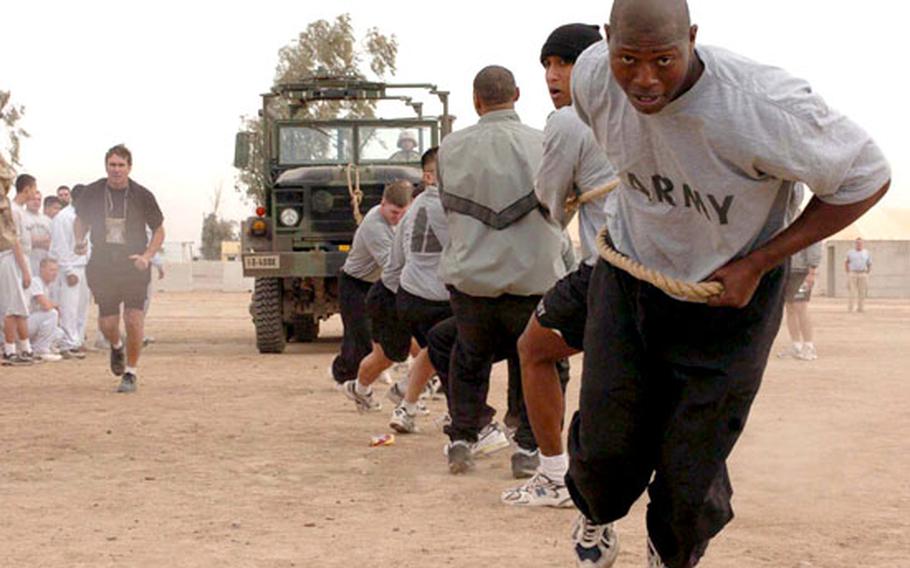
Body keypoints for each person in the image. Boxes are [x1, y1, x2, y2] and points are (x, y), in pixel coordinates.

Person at [565, 1, 891, 567]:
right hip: (630, 280)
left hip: (729, 296)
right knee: (607, 450)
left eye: (664, 59)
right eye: (629, 59)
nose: (644, 79)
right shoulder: (592, 76)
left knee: (692, 471)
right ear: (606, 41)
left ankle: (670, 551)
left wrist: (761, 260)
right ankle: (597, 513)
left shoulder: (763, 106)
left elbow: (867, 175)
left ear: (692, 39)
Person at [501, 22, 616, 508]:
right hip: (665, 265)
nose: (554, 74)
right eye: (548, 64)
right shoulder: (637, 110)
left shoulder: (569, 120)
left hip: (609, 266)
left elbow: (551, 203)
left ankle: (552, 474)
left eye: (564, 62)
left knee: (534, 349)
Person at [438, 65, 566, 475]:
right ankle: (530, 448)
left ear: (476, 100)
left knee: (469, 358)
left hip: (472, 280)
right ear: (517, 94)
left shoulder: (450, 149)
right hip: (534, 278)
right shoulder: (543, 143)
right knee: (541, 361)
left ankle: (462, 438)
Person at [74, 144, 165, 393]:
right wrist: (79, 241)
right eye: (112, 165)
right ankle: (116, 346)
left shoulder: (142, 195)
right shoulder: (92, 192)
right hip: (103, 263)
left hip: (133, 263)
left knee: (134, 319)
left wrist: (147, 256)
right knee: (108, 323)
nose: (116, 170)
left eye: (121, 165)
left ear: (129, 168)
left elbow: (159, 230)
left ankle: (131, 373)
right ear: (106, 166)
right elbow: (80, 220)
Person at [384, 148, 453, 432]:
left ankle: (408, 407)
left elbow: (393, 264)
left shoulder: (410, 212)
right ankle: (461, 415)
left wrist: (396, 296)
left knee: (435, 352)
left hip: (410, 296)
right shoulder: (448, 206)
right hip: (439, 298)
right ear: (428, 176)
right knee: (453, 353)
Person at [340, 179, 416, 411]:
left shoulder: (405, 219)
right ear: (383, 204)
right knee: (363, 340)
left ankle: (407, 388)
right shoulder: (374, 225)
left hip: (382, 284)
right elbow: (393, 265)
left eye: (403, 212)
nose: (398, 217)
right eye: (394, 212)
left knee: (402, 340)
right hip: (356, 285)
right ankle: (349, 381)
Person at [779, 185, 822, 361]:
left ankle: (809, 346)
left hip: (801, 270)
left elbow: (814, 242)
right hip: (786, 269)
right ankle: (796, 345)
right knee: (789, 308)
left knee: (801, 307)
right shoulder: (781, 218)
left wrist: (812, 270)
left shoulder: (805, 218)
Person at [50, 184, 90, 359]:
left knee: (82, 307)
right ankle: (68, 342)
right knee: (69, 307)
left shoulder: (86, 217)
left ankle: (78, 340)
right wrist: (68, 271)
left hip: (84, 266)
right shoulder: (62, 217)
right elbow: (59, 246)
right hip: (70, 268)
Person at [0, 168, 34, 366]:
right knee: (13, 306)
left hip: (20, 259)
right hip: (12, 259)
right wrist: (25, 270)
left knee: (21, 306)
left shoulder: (18, 211)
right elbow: (14, 241)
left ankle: (25, 347)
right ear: (27, 189)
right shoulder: (11, 210)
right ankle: (10, 349)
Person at [25, 257, 64, 362]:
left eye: (56, 270)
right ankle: (41, 350)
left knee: (59, 333)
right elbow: (46, 306)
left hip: (33, 324)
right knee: (52, 314)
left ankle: (33, 348)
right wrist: (55, 306)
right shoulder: (35, 281)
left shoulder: (48, 286)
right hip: (24, 324)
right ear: (42, 269)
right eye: (51, 270)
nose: (54, 273)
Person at [24, 189, 53, 275]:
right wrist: (43, 240)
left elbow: (52, 243)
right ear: (26, 200)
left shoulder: (47, 220)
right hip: (27, 262)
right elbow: (21, 242)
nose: (36, 202)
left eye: (39, 200)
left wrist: (34, 241)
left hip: (44, 264)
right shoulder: (21, 216)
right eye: (33, 199)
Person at [845, 237, 871, 313]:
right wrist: (848, 272)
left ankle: (860, 308)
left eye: (860, 243)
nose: (859, 244)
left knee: (862, 292)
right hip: (853, 273)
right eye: (857, 243)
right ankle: (851, 308)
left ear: (863, 244)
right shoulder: (850, 252)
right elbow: (846, 262)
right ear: (855, 244)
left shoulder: (866, 252)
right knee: (852, 292)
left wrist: (867, 272)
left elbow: (869, 263)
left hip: (863, 273)